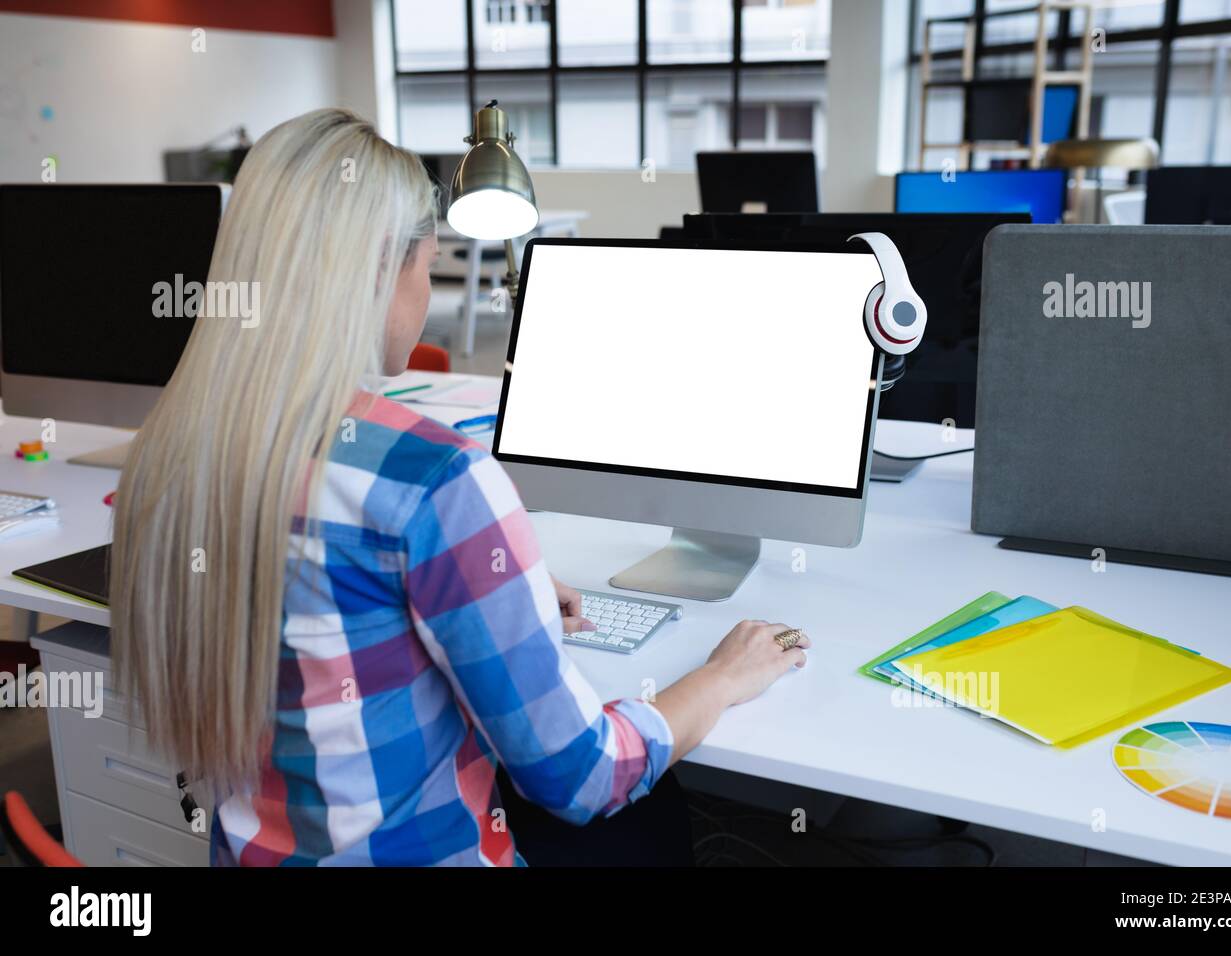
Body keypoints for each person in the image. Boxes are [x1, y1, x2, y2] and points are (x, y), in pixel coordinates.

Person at [110, 108, 810, 866]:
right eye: (428, 255)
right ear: (385, 264)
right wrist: (720, 678)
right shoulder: (434, 477)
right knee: (656, 818)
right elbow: (584, 775)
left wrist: (491, 586)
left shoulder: (170, 451)